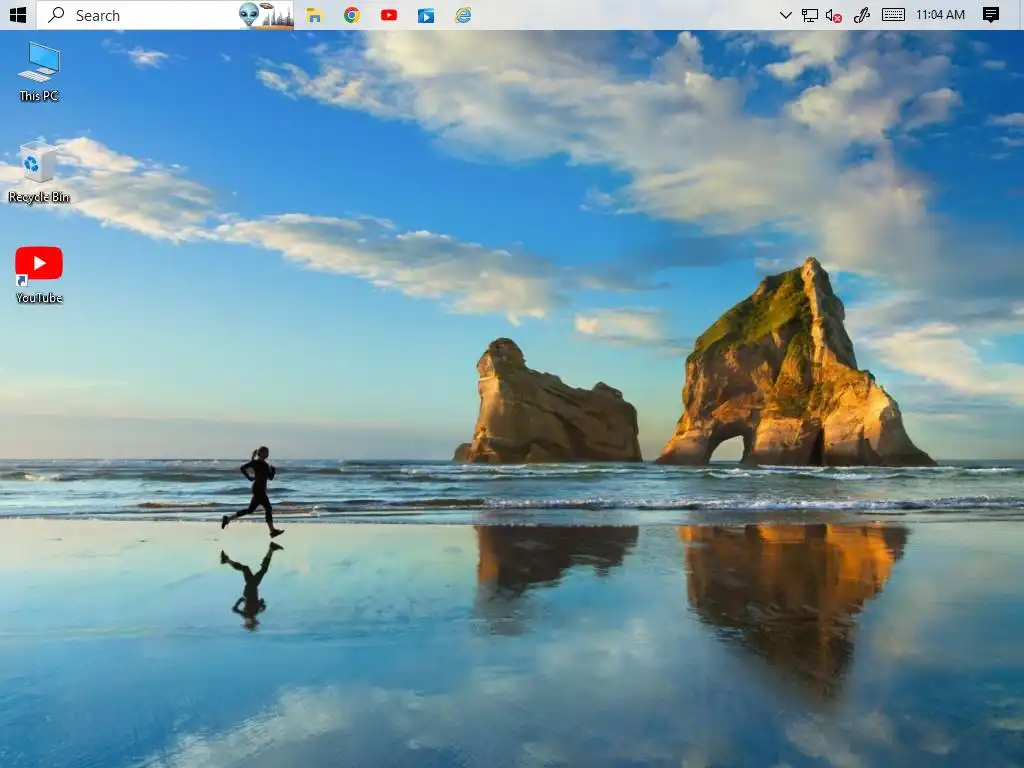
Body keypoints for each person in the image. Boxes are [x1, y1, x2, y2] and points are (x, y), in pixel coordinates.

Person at [221, 446, 284, 537]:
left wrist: (273, 471)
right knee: (268, 508)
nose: (268, 454)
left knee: (250, 510)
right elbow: (242, 468)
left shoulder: (266, 465)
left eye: (268, 452)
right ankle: (272, 531)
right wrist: (249, 477)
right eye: (266, 452)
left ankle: (227, 519)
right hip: (258, 489)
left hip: (262, 489)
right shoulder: (256, 463)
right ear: (261, 453)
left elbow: (270, 478)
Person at [221, 542, 282, 631]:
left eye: (251, 622)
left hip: (250, 588)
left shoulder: (246, 615)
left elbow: (234, 609)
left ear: (248, 622)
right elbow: (261, 606)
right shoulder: (254, 613)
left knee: (257, 569)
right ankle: (226, 560)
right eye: (254, 622)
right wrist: (261, 603)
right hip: (252, 588)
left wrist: (241, 600)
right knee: (249, 569)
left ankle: (271, 549)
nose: (253, 621)